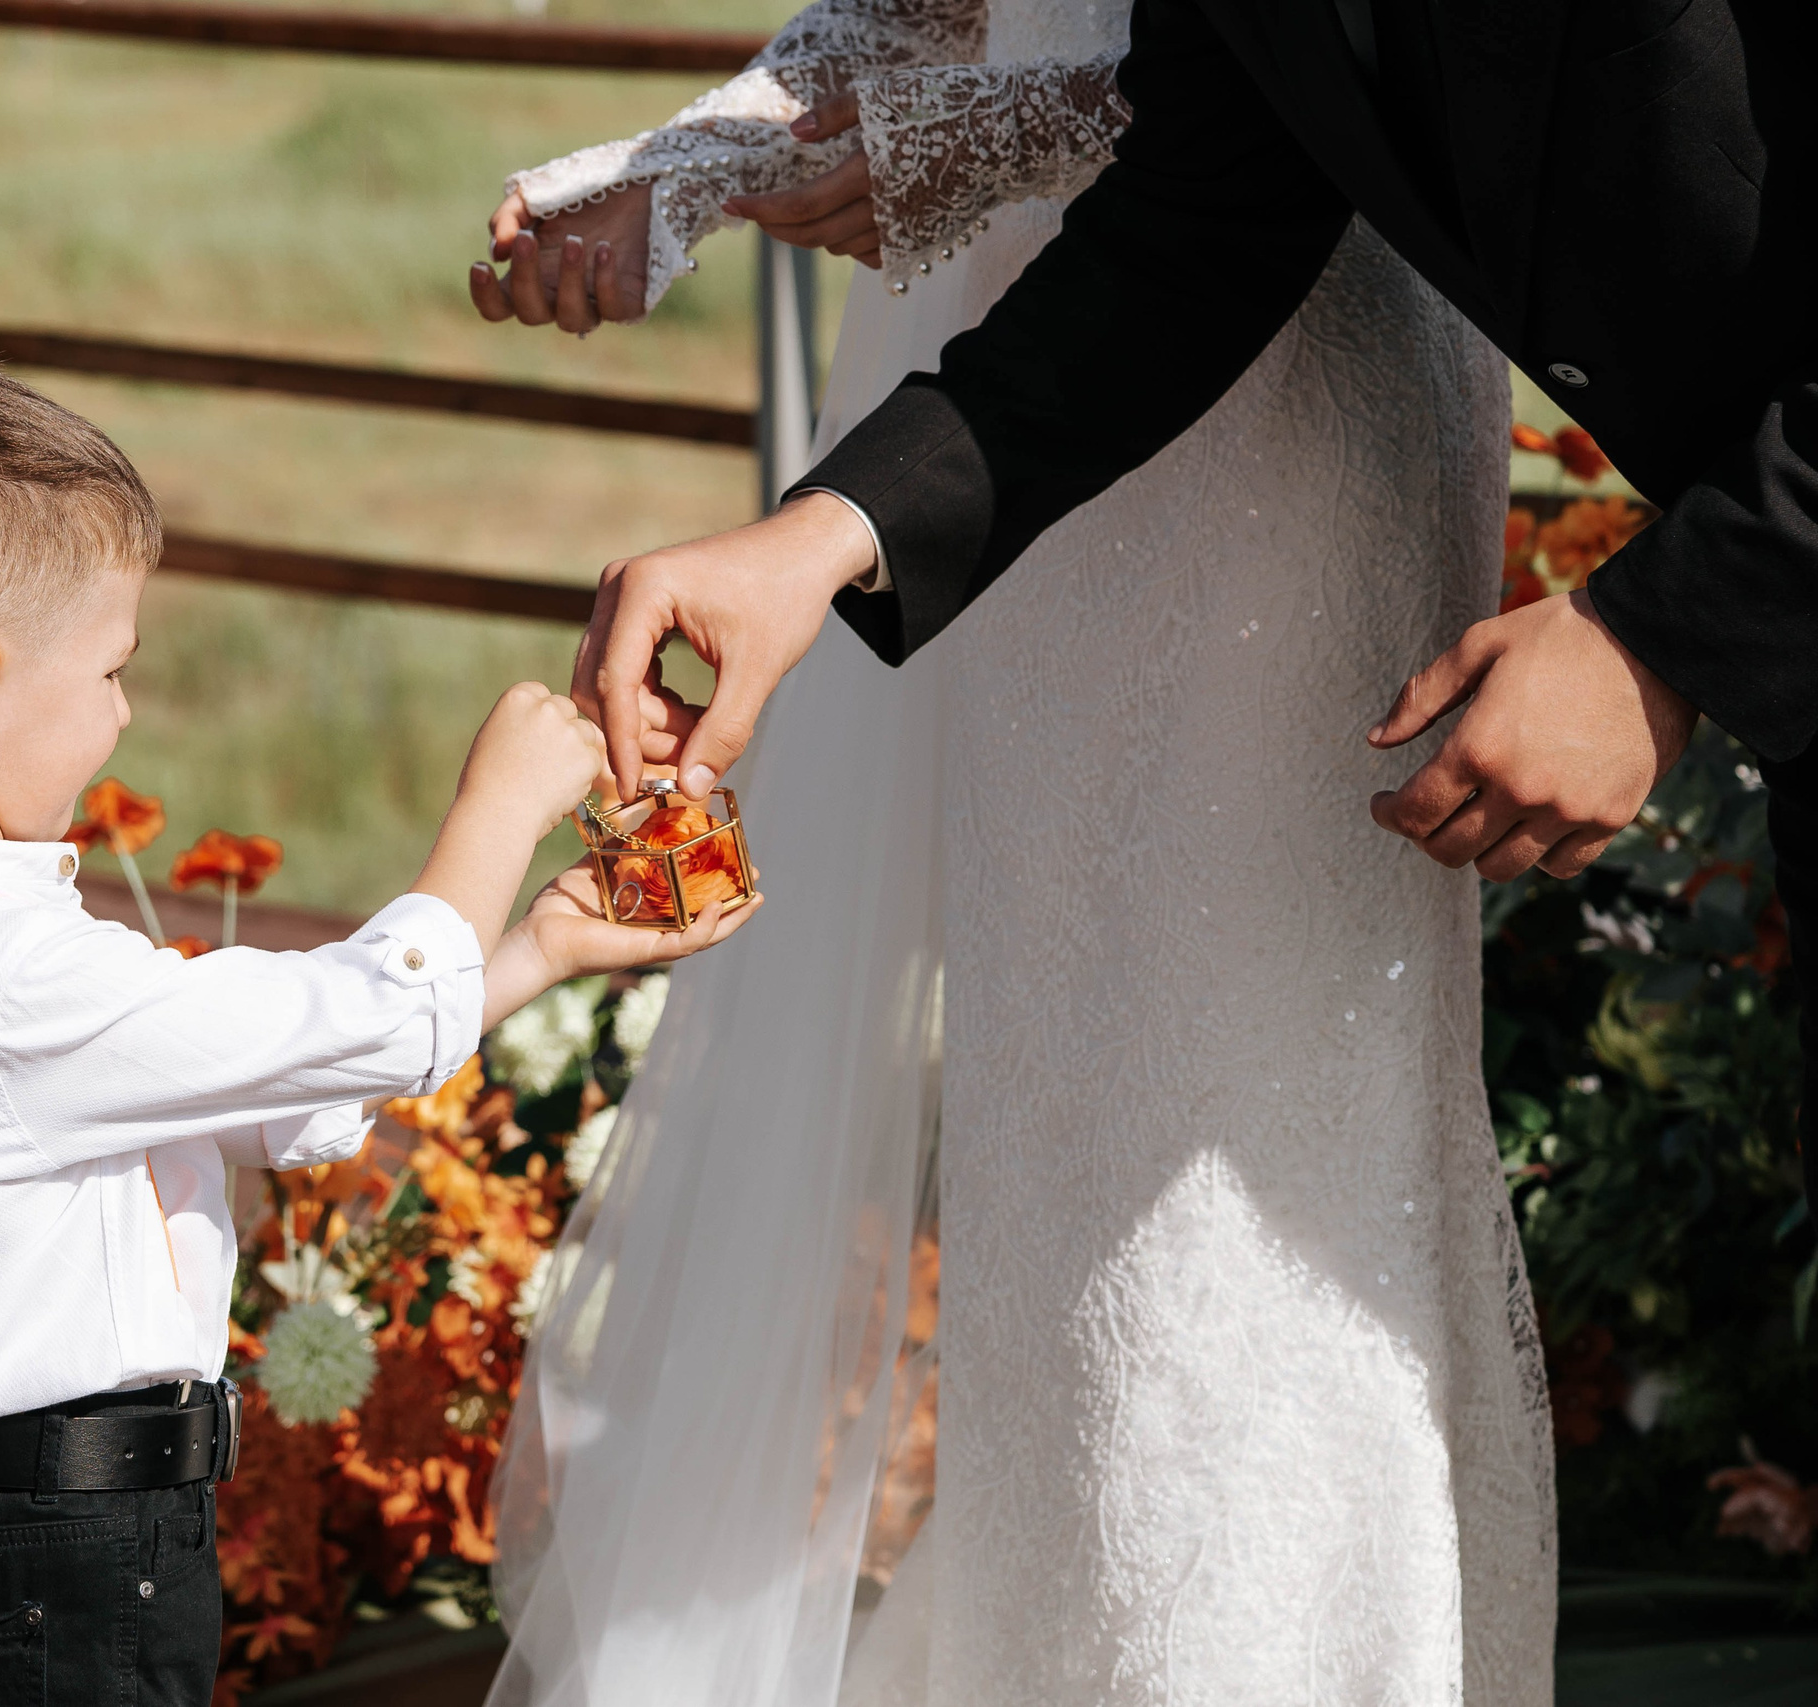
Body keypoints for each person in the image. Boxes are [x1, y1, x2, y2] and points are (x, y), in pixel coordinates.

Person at [470, 1, 1560, 1701]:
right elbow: (912, 12)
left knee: (1237, 1104)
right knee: (1059, 1066)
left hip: (1280, 384)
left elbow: (1305, 101)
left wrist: (940, 149)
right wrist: (682, 166)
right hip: (1014, 409)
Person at [0, 334, 759, 1707]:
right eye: (108, 672)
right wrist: (498, 808)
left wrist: (531, 951)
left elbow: (269, 1092)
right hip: (41, 1569)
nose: (126, 711)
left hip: (44, 1545)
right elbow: (349, 1019)